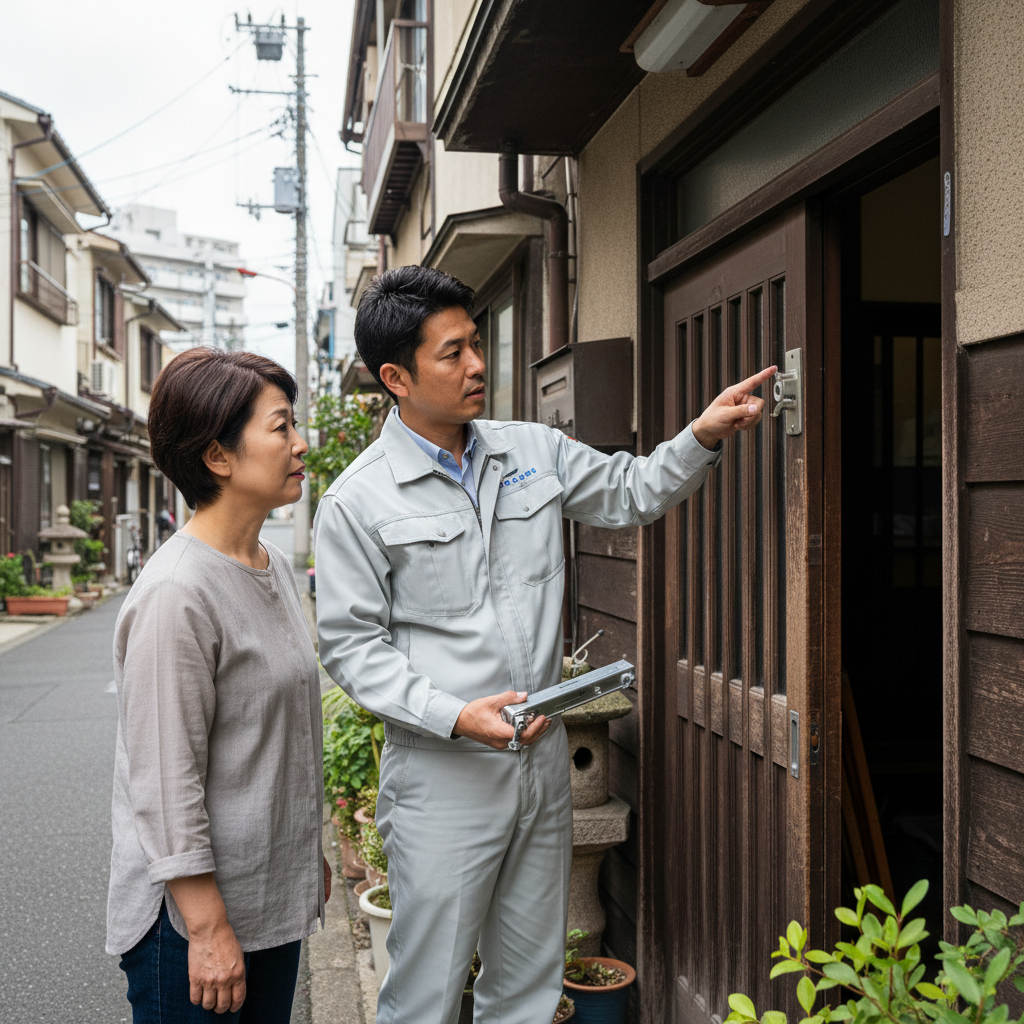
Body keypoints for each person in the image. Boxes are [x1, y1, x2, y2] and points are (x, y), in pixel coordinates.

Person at [313, 266, 775, 1024]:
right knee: (425, 995)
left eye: (474, 345)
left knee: (527, 988)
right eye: (452, 352)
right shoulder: (357, 501)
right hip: (442, 777)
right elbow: (351, 647)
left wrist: (701, 435)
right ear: (395, 376)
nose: (475, 366)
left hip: (541, 765)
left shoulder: (531, 449)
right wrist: (459, 715)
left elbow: (631, 491)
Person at [107, 348, 330, 1022]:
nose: (300, 443)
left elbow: (277, 734)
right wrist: (205, 929)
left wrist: (302, 855)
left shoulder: (267, 565)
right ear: (218, 457)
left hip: (264, 899)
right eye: (280, 426)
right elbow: (165, 779)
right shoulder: (178, 592)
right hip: (191, 924)